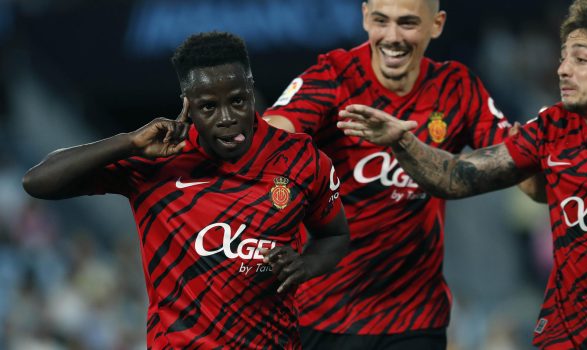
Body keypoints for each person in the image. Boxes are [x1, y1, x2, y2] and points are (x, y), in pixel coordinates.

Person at [338, 0, 587, 348]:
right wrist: (402, 142)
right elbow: (455, 177)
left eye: (581, 59)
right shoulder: (551, 129)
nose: (563, 69)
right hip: (562, 338)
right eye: (564, 57)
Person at [22, 32, 350, 349]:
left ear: (251, 90)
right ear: (188, 105)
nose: (227, 118)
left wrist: (305, 266)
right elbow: (37, 182)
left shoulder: (301, 158)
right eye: (208, 107)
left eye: (237, 101)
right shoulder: (156, 162)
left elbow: (334, 236)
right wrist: (129, 142)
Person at [263, 0, 544, 348]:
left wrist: (541, 153)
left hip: (414, 320)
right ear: (365, 17)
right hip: (323, 315)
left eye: (408, 23)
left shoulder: (456, 88)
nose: (392, 37)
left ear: (436, 24)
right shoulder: (333, 76)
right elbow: (271, 138)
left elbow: (526, 177)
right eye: (381, 20)